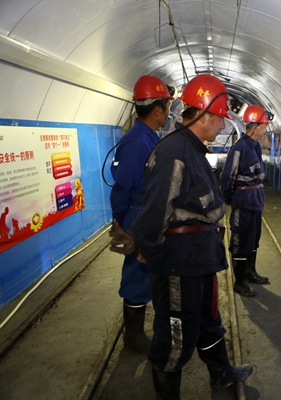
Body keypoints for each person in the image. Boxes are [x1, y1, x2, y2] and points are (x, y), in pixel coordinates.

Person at [122, 74, 253, 398]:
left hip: (199, 257)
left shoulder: (192, 148)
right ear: (203, 115)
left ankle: (221, 373)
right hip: (179, 263)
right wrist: (149, 248)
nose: (221, 127)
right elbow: (157, 210)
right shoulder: (174, 152)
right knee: (175, 337)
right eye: (219, 119)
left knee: (208, 319)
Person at [109, 74, 172, 354]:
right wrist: (120, 221)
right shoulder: (137, 142)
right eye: (167, 105)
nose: (168, 111)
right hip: (138, 215)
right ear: (157, 109)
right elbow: (123, 186)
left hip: (147, 213)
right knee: (137, 273)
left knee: (149, 271)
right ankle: (133, 336)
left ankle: (145, 329)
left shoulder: (148, 137)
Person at [220, 104, 272, 297]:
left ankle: (250, 272)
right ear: (255, 126)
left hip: (256, 200)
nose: (265, 129)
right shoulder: (239, 148)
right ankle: (240, 281)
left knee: (253, 237)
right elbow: (228, 176)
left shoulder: (255, 146)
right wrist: (227, 197)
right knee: (241, 239)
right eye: (263, 126)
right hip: (243, 200)